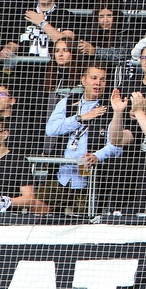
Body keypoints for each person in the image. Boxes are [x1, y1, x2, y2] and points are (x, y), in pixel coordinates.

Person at [38, 66, 121, 215]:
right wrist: (81, 118)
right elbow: (50, 129)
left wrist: (97, 156)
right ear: (83, 80)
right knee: (37, 207)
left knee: (82, 219)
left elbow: (116, 144)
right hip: (60, 175)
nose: (98, 83)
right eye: (94, 78)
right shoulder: (67, 102)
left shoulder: (112, 107)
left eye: (102, 80)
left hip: (90, 180)